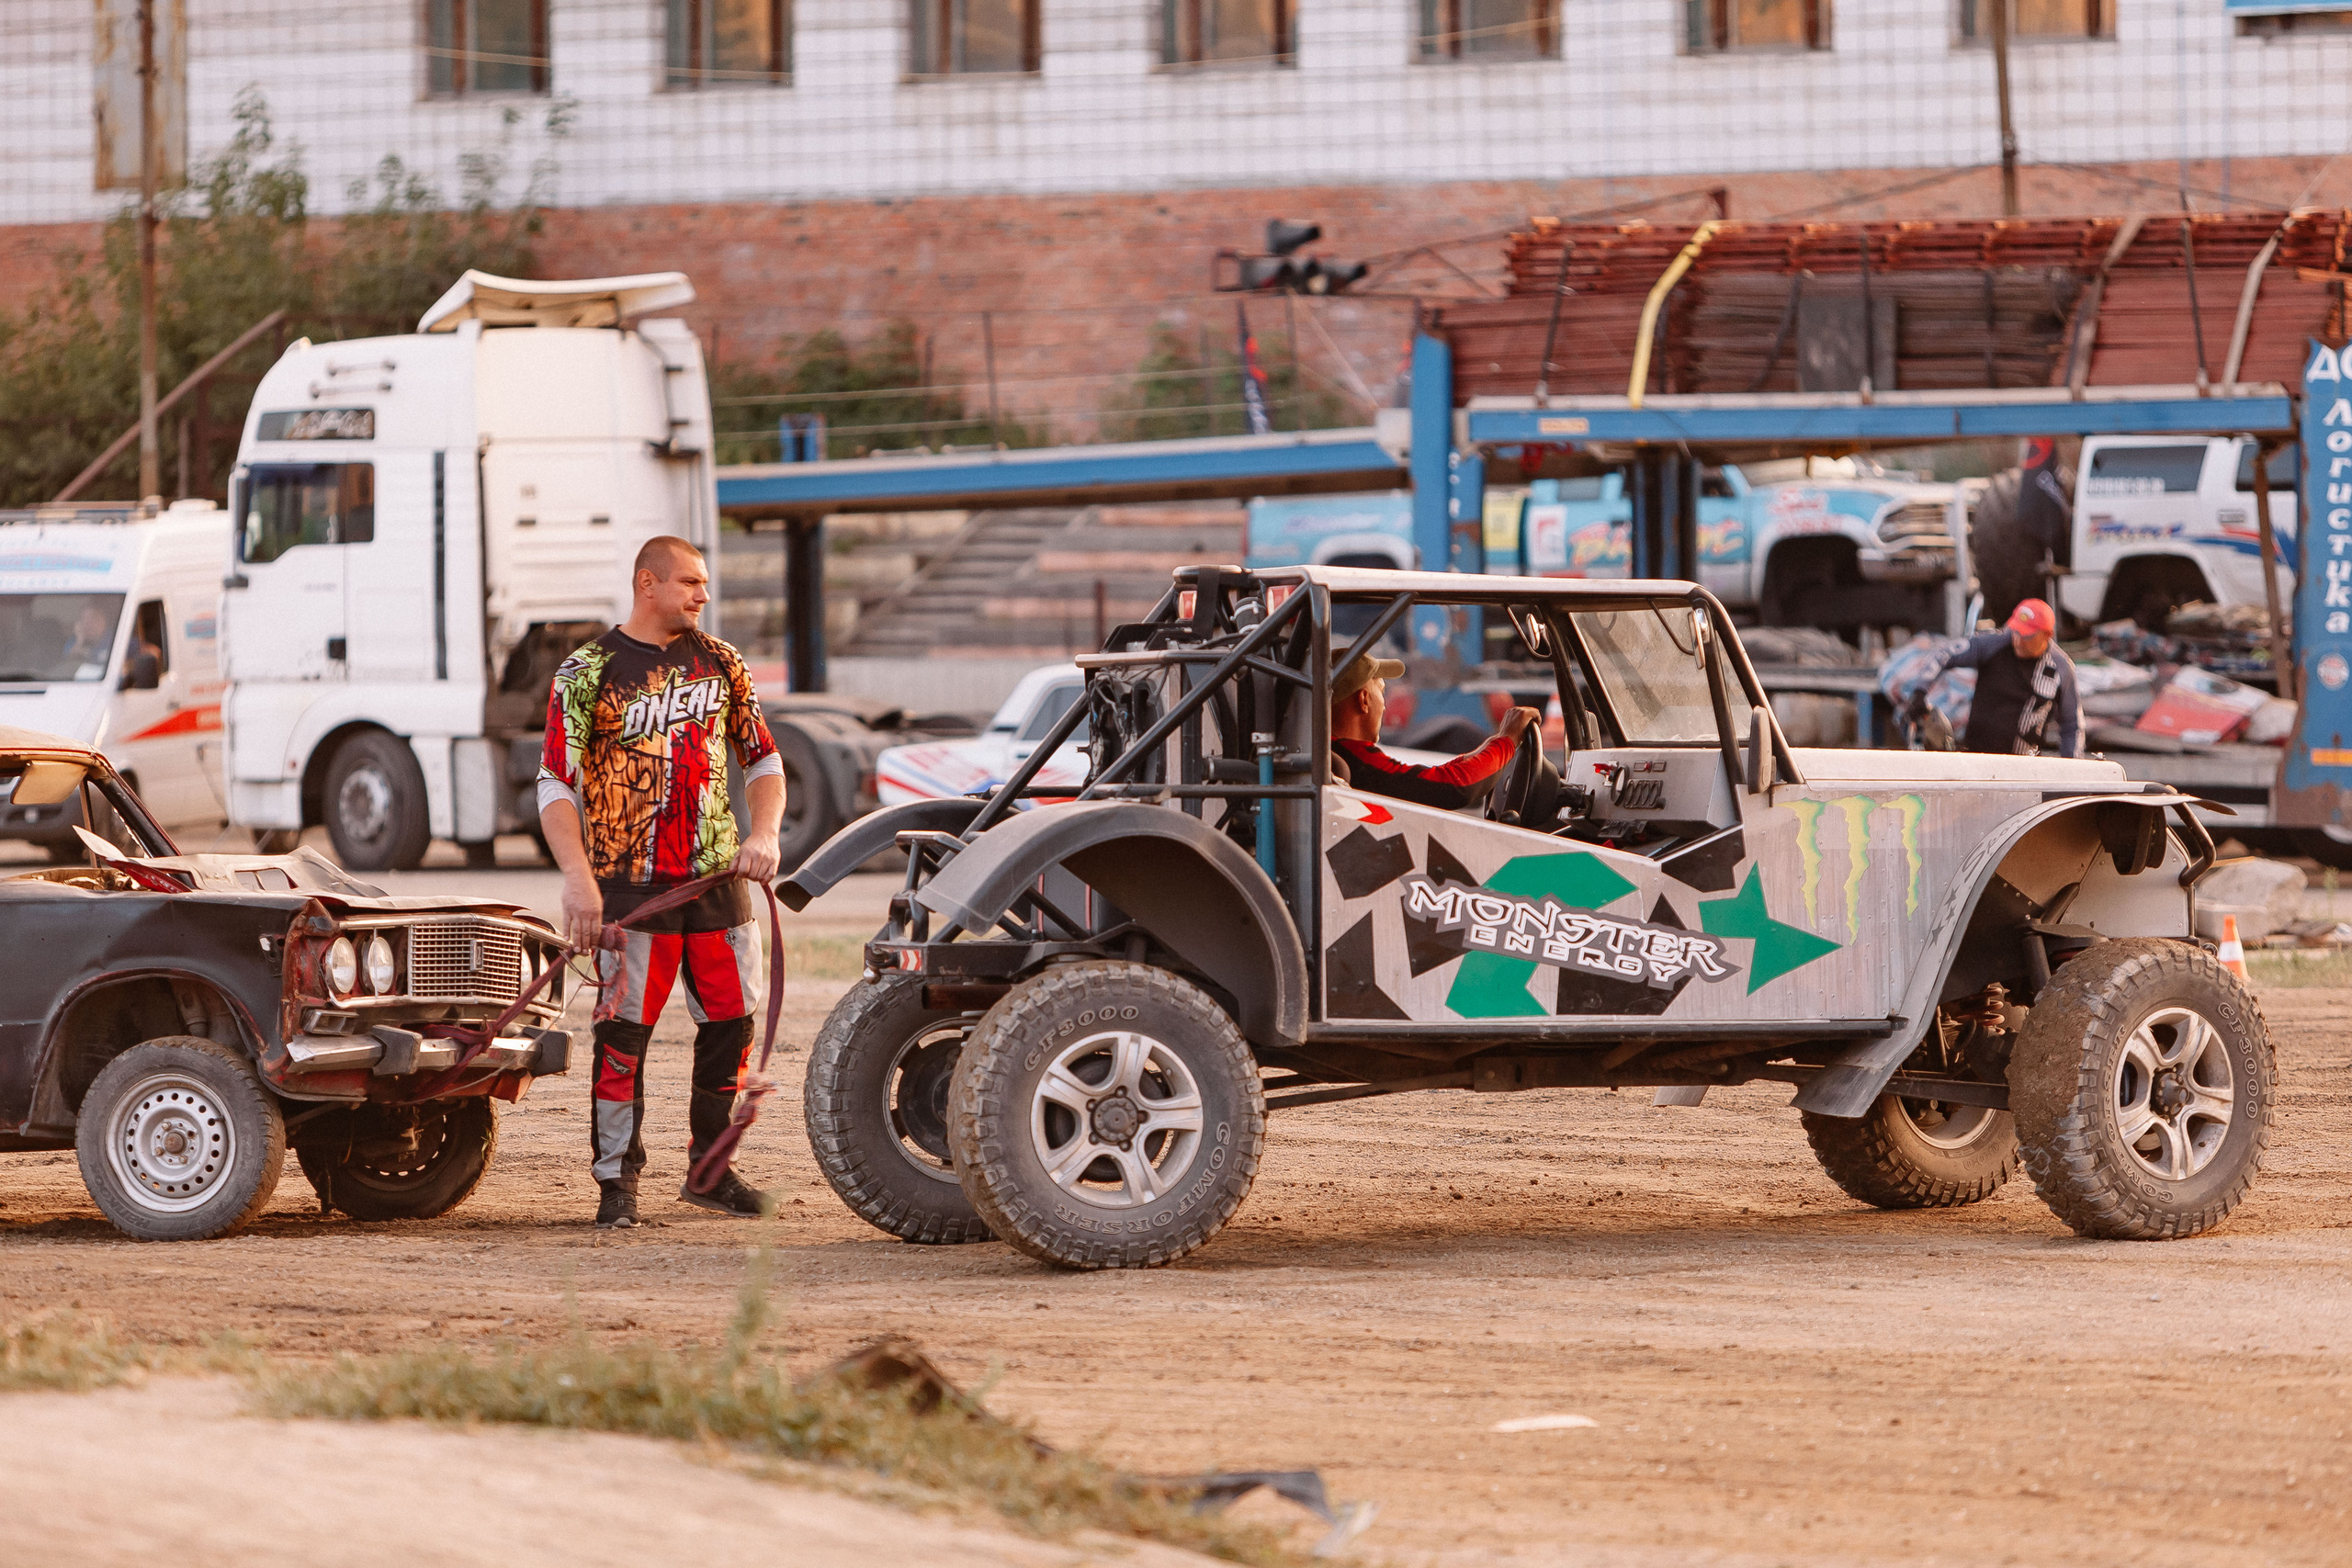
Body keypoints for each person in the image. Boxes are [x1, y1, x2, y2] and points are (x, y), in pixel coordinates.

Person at [538, 536, 786, 1231]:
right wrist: (577, 882)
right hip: (627, 889)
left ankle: (710, 1170)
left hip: (719, 882)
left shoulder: (722, 662)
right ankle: (617, 1182)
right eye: (690, 582)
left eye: (704, 583)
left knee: (733, 1025)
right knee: (623, 1037)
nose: (702, 595)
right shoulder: (587, 671)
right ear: (647, 583)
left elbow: (764, 761)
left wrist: (763, 836)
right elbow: (555, 781)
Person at [1329, 648, 1542, 809]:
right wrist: (1507, 740)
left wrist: (1490, 746)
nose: (1384, 706)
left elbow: (1426, 778)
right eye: (1382, 691)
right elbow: (1451, 787)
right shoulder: (1355, 757)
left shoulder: (1332, 751)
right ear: (1364, 700)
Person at [1906, 598, 2081, 758]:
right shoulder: (1995, 643)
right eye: (2016, 632)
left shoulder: (2061, 668)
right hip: (1977, 758)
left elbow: (2072, 725)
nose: (2019, 640)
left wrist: (2071, 769)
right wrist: (1920, 691)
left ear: (2047, 635)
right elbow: (1944, 654)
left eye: (2027, 636)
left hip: (2025, 767)